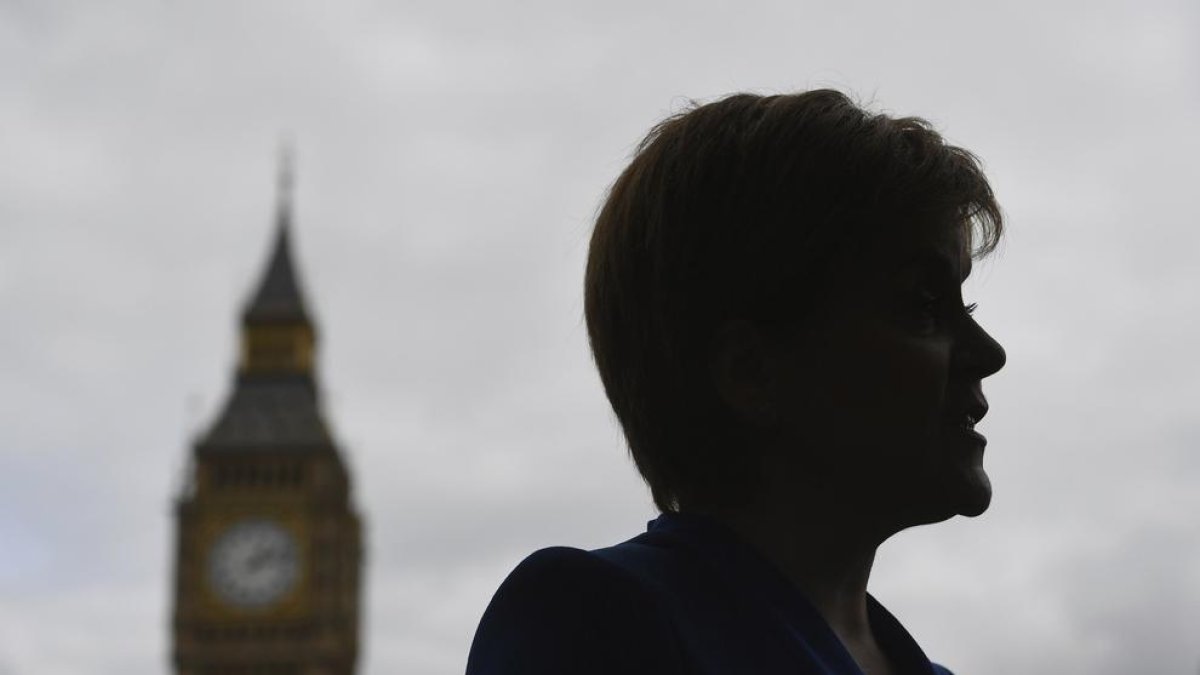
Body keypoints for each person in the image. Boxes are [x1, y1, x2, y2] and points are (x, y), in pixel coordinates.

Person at [465, 89, 1007, 675]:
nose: (989, 353)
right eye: (923, 305)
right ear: (752, 372)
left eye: (967, 309)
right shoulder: (595, 621)